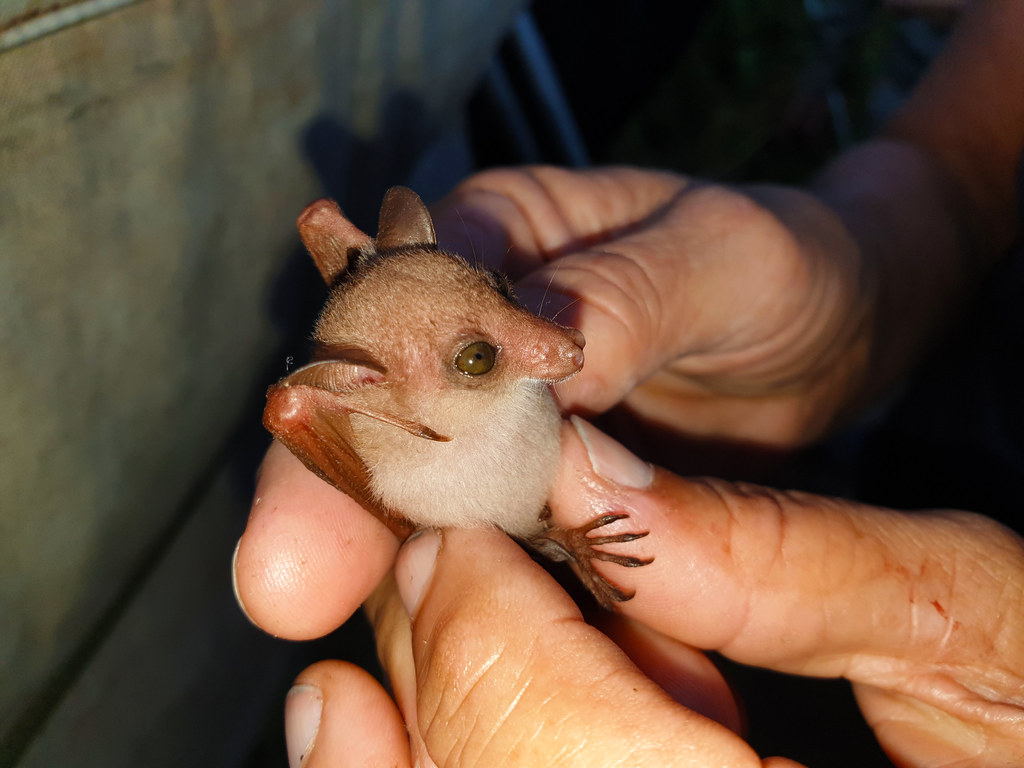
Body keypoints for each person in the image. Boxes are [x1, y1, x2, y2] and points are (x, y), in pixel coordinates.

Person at [234, 1, 1024, 765]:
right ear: (375, 390)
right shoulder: (390, 438)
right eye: (480, 357)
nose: (550, 346)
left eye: (503, 295)